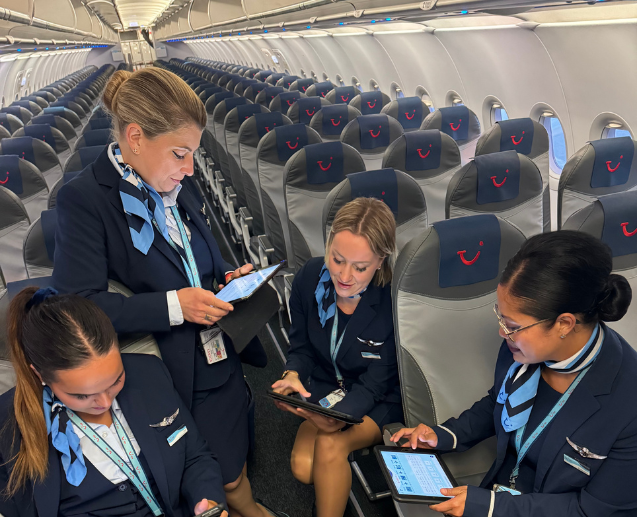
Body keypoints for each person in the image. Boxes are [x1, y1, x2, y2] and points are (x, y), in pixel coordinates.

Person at [52, 68, 277, 517]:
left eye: (193, 154)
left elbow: (195, 263)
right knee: (214, 474)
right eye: (180, 153)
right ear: (135, 137)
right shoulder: (84, 200)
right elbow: (80, 305)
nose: (190, 168)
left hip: (218, 349)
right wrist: (177, 306)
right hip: (165, 369)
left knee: (234, 460)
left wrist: (225, 282)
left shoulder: (178, 182)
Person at [391, 231, 637, 517]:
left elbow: (592, 510)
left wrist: (493, 507)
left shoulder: (627, 404)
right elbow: (499, 400)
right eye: (501, 318)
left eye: (511, 325)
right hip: (501, 497)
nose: (502, 332)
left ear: (564, 324)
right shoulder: (521, 348)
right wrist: (444, 435)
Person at [0, 286, 228, 517]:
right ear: (40, 375)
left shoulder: (149, 372)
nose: (105, 403)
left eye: (116, 380)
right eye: (82, 395)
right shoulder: (7, 425)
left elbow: (195, 457)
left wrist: (207, 503)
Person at [271, 197, 403, 517]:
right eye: (337, 259)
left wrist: (336, 419)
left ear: (380, 261)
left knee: (331, 446)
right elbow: (301, 347)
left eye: (360, 267)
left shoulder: (392, 301)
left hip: (378, 398)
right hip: (328, 385)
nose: (344, 276)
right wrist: (293, 375)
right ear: (328, 246)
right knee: (304, 469)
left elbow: (374, 387)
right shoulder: (310, 277)